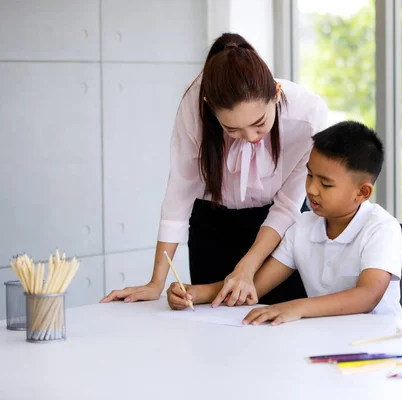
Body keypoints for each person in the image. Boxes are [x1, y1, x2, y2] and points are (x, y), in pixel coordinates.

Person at [101, 33, 328, 306]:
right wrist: (156, 282)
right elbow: (180, 191)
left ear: (276, 93)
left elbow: (288, 206)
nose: (251, 136)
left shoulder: (307, 116)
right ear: (210, 107)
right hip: (213, 226)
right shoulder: (195, 103)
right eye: (232, 129)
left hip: (278, 233)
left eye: (259, 123)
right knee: (215, 330)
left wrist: (247, 266)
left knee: (279, 323)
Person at [166, 121, 402, 325]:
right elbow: (255, 286)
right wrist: (197, 293)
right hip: (322, 337)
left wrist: (296, 307)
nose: (311, 189)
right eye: (309, 175)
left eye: (326, 184)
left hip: (376, 342)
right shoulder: (302, 225)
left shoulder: (382, 228)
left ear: (362, 192)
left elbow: (367, 296)